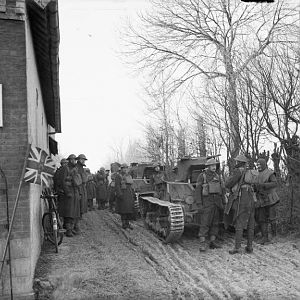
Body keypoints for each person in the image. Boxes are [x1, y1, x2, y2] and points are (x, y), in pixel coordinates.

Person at [225, 154, 257, 254]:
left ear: (239, 162)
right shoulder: (249, 172)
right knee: (251, 222)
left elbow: (228, 184)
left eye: (237, 161)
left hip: (242, 198)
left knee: (239, 221)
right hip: (251, 197)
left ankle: (237, 247)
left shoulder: (238, 171)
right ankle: (250, 247)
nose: (235, 162)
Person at [194, 158, 224, 252]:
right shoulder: (202, 176)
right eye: (212, 165)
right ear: (208, 166)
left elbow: (222, 189)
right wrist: (199, 203)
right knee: (205, 223)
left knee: (215, 223)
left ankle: (212, 242)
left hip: (216, 202)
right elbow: (198, 190)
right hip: (207, 202)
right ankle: (202, 244)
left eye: (215, 165)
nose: (214, 167)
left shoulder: (218, 176)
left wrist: (223, 201)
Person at [254, 158, 279, 244]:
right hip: (260, 199)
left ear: (264, 164)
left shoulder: (270, 173)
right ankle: (265, 237)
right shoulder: (255, 174)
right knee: (262, 218)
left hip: (270, 198)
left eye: (260, 165)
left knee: (272, 218)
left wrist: (264, 185)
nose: (259, 166)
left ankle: (274, 237)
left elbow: (275, 183)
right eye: (257, 165)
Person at [58, 154, 81, 237]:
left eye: (75, 159)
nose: (73, 161)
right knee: (69, 213)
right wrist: (67, 192)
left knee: (74, 213)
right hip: (68, 193)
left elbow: (78, 182)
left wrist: (79, 193)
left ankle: (72, 228)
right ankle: (68, 230)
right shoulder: (65, 168)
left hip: (75, 192)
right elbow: (63, 182)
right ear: (69, 160)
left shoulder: (75, 169)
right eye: (72, 159)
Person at [115, 163, 136, 229]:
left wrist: (134, 194)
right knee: (123, 210)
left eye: (126, 168)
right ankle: (124, 223)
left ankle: (127, 223)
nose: (125, 169)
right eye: (124, 168)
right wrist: (120, 194)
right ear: (121, 169)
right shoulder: (118, 176)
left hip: (129, 194)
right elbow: (117, 186)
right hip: (123, 194)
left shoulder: (129, 176)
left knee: (129, 209)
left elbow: (132, 186)